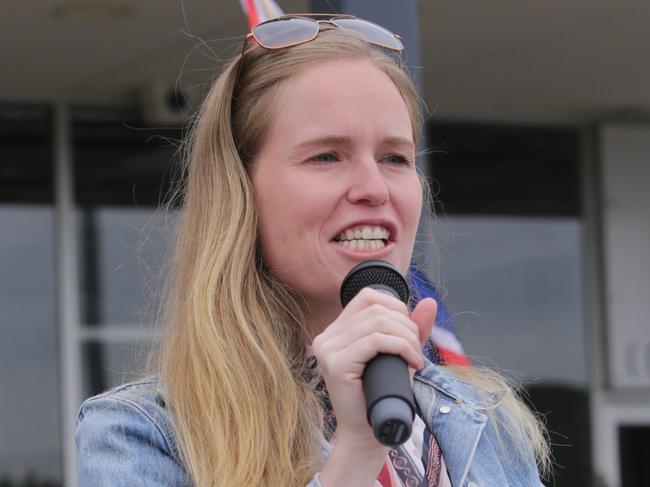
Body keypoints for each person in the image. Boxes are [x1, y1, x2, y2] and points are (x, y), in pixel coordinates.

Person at [76, 14, 550, 487]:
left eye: (394, 158)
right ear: (240, 193)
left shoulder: (490, 425)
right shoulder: (141, 436)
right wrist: (356, 455)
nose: (374, 188)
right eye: (327, 155)